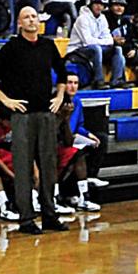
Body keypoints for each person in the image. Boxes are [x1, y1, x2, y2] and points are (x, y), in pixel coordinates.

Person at [0, 5, 68, 234]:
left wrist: (59, 96)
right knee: (23, 166)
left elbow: (63, 73)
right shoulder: (12, 47)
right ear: (19, 23)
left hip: (46, 113)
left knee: (48, 165)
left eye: (34, 16)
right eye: (26, 17)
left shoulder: (48, 45)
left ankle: (50, 214)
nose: (31, 20)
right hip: (21, 116)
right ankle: (26, 218)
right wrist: (6, 100)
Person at [55, 73, 102, 212]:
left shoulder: (77, 102)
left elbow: (77, 126)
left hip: (70, 137)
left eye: (76, 83)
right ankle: (58, 197)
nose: (73, 86)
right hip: (54, 143)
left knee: (98, 141)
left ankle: (84, 193)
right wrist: (64, 118)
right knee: (76, 153)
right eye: (69, 82)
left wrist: (88, 134)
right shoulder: (56, 102)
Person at [68, 0, 127, 89]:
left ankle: (117, 80)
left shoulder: (102, 18)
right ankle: (98, 81)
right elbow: (87, 41)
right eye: (96, 4)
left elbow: (109, 39)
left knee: (117, 49)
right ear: (91, 5)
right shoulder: (82, 19)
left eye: (102, 4)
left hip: (95, 48)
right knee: (96, 49)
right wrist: (106, 41)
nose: (99, 6)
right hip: (76, 50)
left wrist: (107, 41)